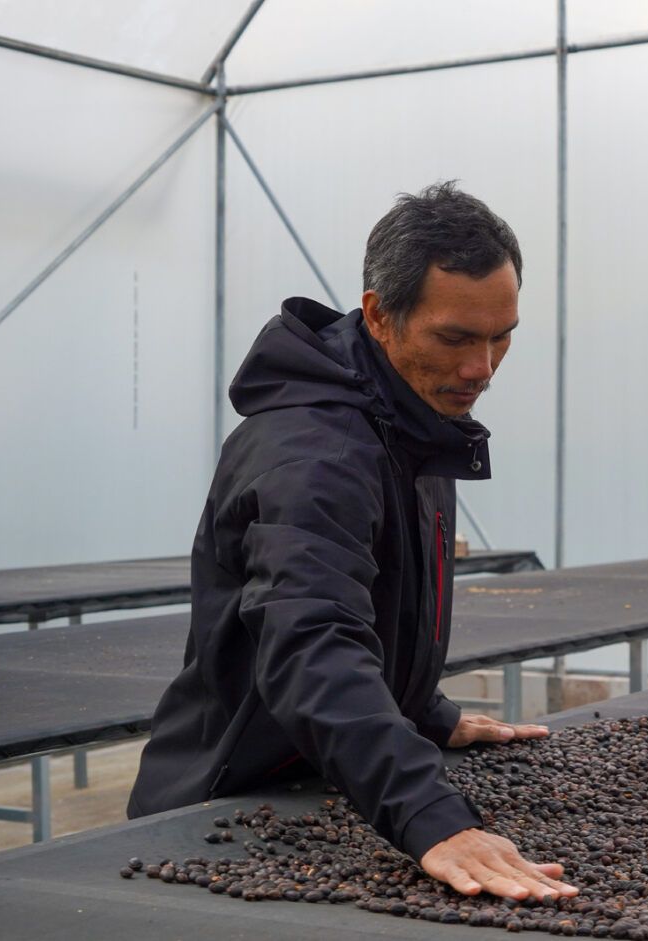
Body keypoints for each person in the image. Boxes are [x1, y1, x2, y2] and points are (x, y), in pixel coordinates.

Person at [128, 181, 577, 903]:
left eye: (502, 336)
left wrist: (426, 713)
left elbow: (379, 594)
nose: (482, 368)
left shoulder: (410, 410)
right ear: (379, 316)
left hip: (323, 777)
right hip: (229, 804)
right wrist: (430, 814)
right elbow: (312, 637)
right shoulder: (315, 452)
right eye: (456, 338)